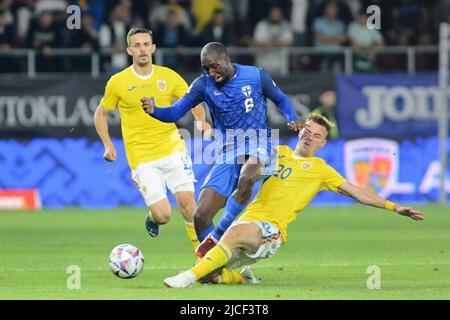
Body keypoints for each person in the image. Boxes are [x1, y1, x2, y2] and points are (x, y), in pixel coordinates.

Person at [162, 114, 425, 288]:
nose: (310, 137)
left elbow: (357, 191)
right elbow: (248, 165)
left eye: (317, 136)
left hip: (271, 232)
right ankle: (240, 277)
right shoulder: (278, 153)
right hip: (247, 220)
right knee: (210, 276)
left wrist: (394, 206)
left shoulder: (321, 170)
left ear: (323, 144)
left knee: (231, 238)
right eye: (308, 131)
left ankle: (185, 277)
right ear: (300, 132)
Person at [141, 42, 301, 260]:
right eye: (206, 68)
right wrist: (154, 111)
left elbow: (280, 98)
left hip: (259, 141)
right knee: (200, 215)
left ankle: (218, 235)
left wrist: (292, 117)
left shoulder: (256, 76)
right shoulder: (202, 85)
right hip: (228, 149)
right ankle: (214, 266)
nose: (210, 72)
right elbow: (175, 112)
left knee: (248, 175)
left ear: (226, 59)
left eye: (214, 66)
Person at [93, 28, 210, 253]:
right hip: (142, 157)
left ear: (153, 48)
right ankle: (153, 217)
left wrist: (201, 121)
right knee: (163, 214)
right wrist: (108, 144)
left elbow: (193, 100)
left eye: (146, 44)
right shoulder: (118, 82)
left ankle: (203, 259)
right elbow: (100, 113)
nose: (142, 49)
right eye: (137, 45)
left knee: (189, 206)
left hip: (173, 147)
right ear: (129, 50)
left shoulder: (168, 76)